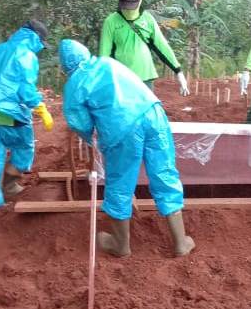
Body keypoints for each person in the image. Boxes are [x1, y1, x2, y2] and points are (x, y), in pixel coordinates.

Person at [59, 39, 194, 258]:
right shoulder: (107, 62)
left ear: (65, 66)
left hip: (122, 126)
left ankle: (120, 245)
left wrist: (91, 137)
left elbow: (79, 123)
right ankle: (181, 243)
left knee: (119, 183)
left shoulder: (75, 82)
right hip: (154, 114)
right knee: (165, 174)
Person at [0, 20, 53, 211]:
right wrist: (40, 107)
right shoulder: (26, 55)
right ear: (36, 39)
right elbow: (25, 89)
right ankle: (9, 185)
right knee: (24, 148)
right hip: (11, 114)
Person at [99, 0, 189, 96]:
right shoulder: (110, 22)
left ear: (139, 2)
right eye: (125, 7)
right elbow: (104, 54)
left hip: (145, 79)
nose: (128, 10)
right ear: (120, 3)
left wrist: (178, 71)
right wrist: (104, 80)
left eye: (131, 7)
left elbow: (162, 47)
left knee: (146, 112)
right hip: (121, 80)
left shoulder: (148, 19)